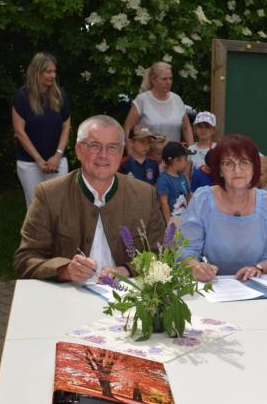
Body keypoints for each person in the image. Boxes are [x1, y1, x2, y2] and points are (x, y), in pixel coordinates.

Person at [14, 115, 165, 282]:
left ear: (121, 152)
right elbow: (26, 259)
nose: (103, 155)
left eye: (112, 147)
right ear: (79, 150)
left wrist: (127, 270)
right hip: (68, 293)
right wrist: (65, 270)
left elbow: (161, 253)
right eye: (94, 146)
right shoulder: (49, 195)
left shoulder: (145, 195)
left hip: (127, 293)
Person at [180, 134, 267, 281]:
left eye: (244, 163)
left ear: (254, 168)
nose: (237, 171)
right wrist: (196, 267)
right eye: (228, 164)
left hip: (254, 286)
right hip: (210, 286)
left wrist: (258, 268)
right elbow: (186, 251)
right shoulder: (202, 200)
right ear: (219, 170)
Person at [12, 52, 71, 207]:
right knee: (36, 207)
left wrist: (57, 155)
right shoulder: (22, 97)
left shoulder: (61, 96)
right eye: (48, 72)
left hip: (57, 162)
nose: (53, 75)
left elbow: (66, 127)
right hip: (29, 163)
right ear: (36, 71)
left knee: (58, 206)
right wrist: (38, 159)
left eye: (54, 71)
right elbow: (19, 132)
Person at [123, 61, 194, 146]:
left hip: (174, 153)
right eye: (164, 79)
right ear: (153, 80)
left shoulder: (177, 99)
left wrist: (191, 150)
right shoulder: (142, 100)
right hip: (147, 153)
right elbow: (128, 128)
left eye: (170, 78)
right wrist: (131, 151)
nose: (168, 82)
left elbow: (186, 128)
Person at [156, 142, 191, 223]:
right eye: (185, 159)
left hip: (184, 220)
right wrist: (170, 224)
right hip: (173, 222)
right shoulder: (163, 180)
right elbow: (164, 203)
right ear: (176, 161)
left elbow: (188, 196)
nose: (186, 162)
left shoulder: (183, 177)